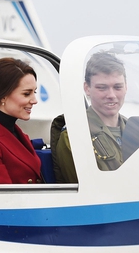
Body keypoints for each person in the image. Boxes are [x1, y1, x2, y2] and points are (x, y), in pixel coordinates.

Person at [52, 51, 127, 181]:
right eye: (102, 88)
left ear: (126, 87)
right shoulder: (75, 136)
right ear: (87, 88)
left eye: (117, 87)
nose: (111, 95)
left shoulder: (137, 131)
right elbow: (87, 194)